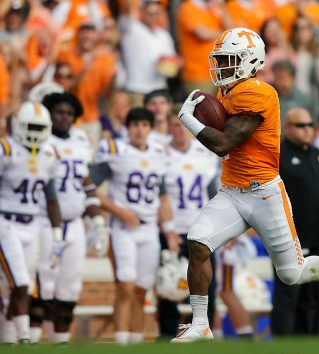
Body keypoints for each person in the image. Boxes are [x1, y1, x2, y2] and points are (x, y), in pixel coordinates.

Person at [171, 27, 319, 343]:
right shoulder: (227, 91)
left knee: (292, 274)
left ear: (249, 61)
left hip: (264, 194)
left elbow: (225, 143)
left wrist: (189, 120)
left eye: (228, 60)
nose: (222, 67)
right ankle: (201, 324)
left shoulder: (259, 92)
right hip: (232, 191)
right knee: (198, 241)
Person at [89, 108, 178, 344]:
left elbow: (163, 197)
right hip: (123, 228)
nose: (139, 129)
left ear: (150, 128)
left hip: (149, 228)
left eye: (144, 125)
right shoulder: (116, 151)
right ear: (127, 128)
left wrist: (169, 230)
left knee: (142, 290)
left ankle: (136, 344)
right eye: (135, 124)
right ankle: (120, 343)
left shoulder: (159, 154)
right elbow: (89, 186)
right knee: (125, 287)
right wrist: (119, 211)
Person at [28, 92, 109, 344]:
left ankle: (59, 343)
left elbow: (85, 180)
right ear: (50, 114)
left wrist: (96, 219)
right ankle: (28, 341)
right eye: (59, 112)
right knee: (42, 285)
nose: (64, 117)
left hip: (74, 223)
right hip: (44, 221)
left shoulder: (81, 139)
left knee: (70, 287)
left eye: (69, 113)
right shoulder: (40, 138)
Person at [271, 107, 319, 336]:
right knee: (288, 294)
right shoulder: (278, 155)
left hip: (318, 235)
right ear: (287, 127)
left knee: (312, 296)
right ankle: (283, 342)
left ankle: (308, 342)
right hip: (289, 238)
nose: (307, 129)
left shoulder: (318, 154)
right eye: (301, 125)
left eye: (310, 125)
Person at [0, 101, 61, 343]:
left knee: (21, 285)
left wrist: (57, 236)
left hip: (32, 224)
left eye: (39, 128)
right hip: (6, 222)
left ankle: (8, 339)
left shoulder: (50, 153)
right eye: (30, 128)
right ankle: (25, 339)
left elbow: (52, 197)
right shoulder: (6, 148)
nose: (35, 134)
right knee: (21, 283)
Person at [158, 111, 219, 338]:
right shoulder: (161, 152)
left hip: (201, 229)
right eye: (174, 125)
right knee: (168, 286)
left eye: (183, 125)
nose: (179, 130)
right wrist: (168, 230)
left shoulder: (205, 152)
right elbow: (159, 196)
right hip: (172, 231)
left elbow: (214, 193)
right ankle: (167, 336)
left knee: (207, 285)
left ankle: (205, 331)